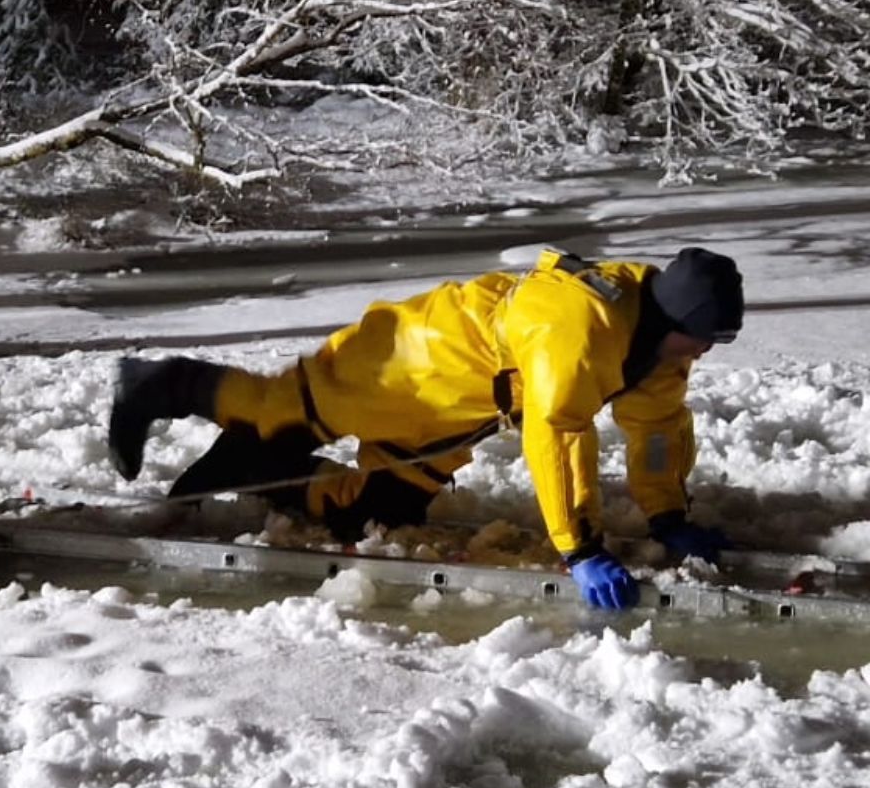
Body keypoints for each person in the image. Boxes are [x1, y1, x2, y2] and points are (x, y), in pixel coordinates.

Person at [108, 246, 744, 611]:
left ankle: (247, 466)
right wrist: (580, 549)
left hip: (459, 406)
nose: (706, 353)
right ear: (678, 319)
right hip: (411, 360)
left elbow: (657, 428)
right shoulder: (583, 329)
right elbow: (556, 431)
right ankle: (162, 382)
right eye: (705, 338)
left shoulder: (663, 346)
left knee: (373, 516)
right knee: (280, 406)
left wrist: (667, 515)